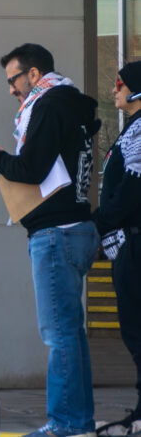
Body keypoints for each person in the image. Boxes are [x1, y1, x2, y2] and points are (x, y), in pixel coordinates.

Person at [0, 43, 101, 437]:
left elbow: (31, 169)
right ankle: (78, 421)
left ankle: (66, 424)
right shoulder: (73, 104)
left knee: (59, 335)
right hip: (76, 227)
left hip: (55, 234)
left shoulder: (48, 104)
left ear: (35, 74)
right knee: (70, 334)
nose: (11, 90)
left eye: (13, 80)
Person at [92, 62, 141, 436]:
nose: (114, 91)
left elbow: (129, 192)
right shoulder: (131, 130)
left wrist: (94, 226)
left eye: (120, 84)